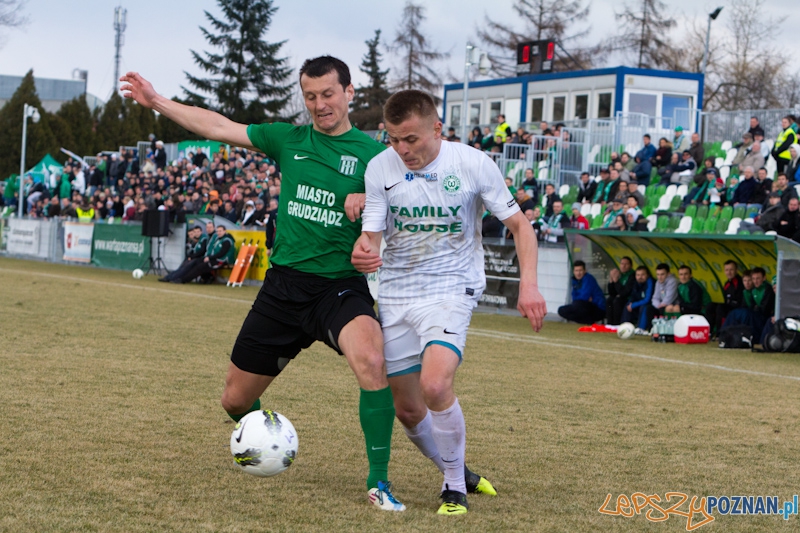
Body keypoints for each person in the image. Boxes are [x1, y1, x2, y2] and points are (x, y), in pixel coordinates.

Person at [120, 56, 406, 510]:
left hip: (337, 289)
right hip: (282, 289)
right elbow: (217, 126)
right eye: (310, 96)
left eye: (328, 94)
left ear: (349, 93)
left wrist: (372, 200)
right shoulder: (287, 138)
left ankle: (379, 482)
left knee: (373, 359)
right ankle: (264, 436)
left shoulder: (378, 158)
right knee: (234, 401)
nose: (319, 104)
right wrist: (156, 101)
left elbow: (409, 204)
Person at [351, 89, 545, 515]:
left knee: (435, 385)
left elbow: (520, 226)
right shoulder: (380, 167)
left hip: (451, 288)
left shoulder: (472, 163)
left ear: (437, 129)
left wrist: (529, 286)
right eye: (393, 139)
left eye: (411, 139)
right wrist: (364, 251)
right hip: (396, 295)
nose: (402, 149)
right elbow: (372, 237)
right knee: (407, 409)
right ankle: (460, 471)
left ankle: (453, 488)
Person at [558, 260, 606, 324]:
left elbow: (584, 296)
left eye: (580, 270)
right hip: (582, 306)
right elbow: (574, 297)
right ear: (573, 272)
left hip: (598, 308)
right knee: (561, 310)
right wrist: (578, 300)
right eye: (576, 271)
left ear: (585, 271)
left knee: (578, 305)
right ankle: (586, 321)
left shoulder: (588, 279)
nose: (578, 273)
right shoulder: (575, 281)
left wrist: (578, 300)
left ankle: (586, 321)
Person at [621, 266, 654, 333]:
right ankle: (624, 327)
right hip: (639, 304)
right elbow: (633, 296)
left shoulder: (650, 282)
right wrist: (631, 303)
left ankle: (641, 329)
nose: (640, 277)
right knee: (628, 305)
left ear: (647, 275)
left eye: (642, 275)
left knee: (644, 307)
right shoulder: (636, 283)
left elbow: (647, 299)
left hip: (650, 305)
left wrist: (633, 305)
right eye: (638, 275)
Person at [606, 257, 635, 325]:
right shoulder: (620, 274)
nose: (623, 266)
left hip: (629, 299)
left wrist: (616, 281)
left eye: (626, 264)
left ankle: (616, 324)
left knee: (617, 301)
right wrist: (611, 280)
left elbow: (624, 293)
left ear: (631, 266)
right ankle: (609, 324)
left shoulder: (632, 275)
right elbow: (612, 293)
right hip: (620, 297)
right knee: (609, 300)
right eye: (622, 264)